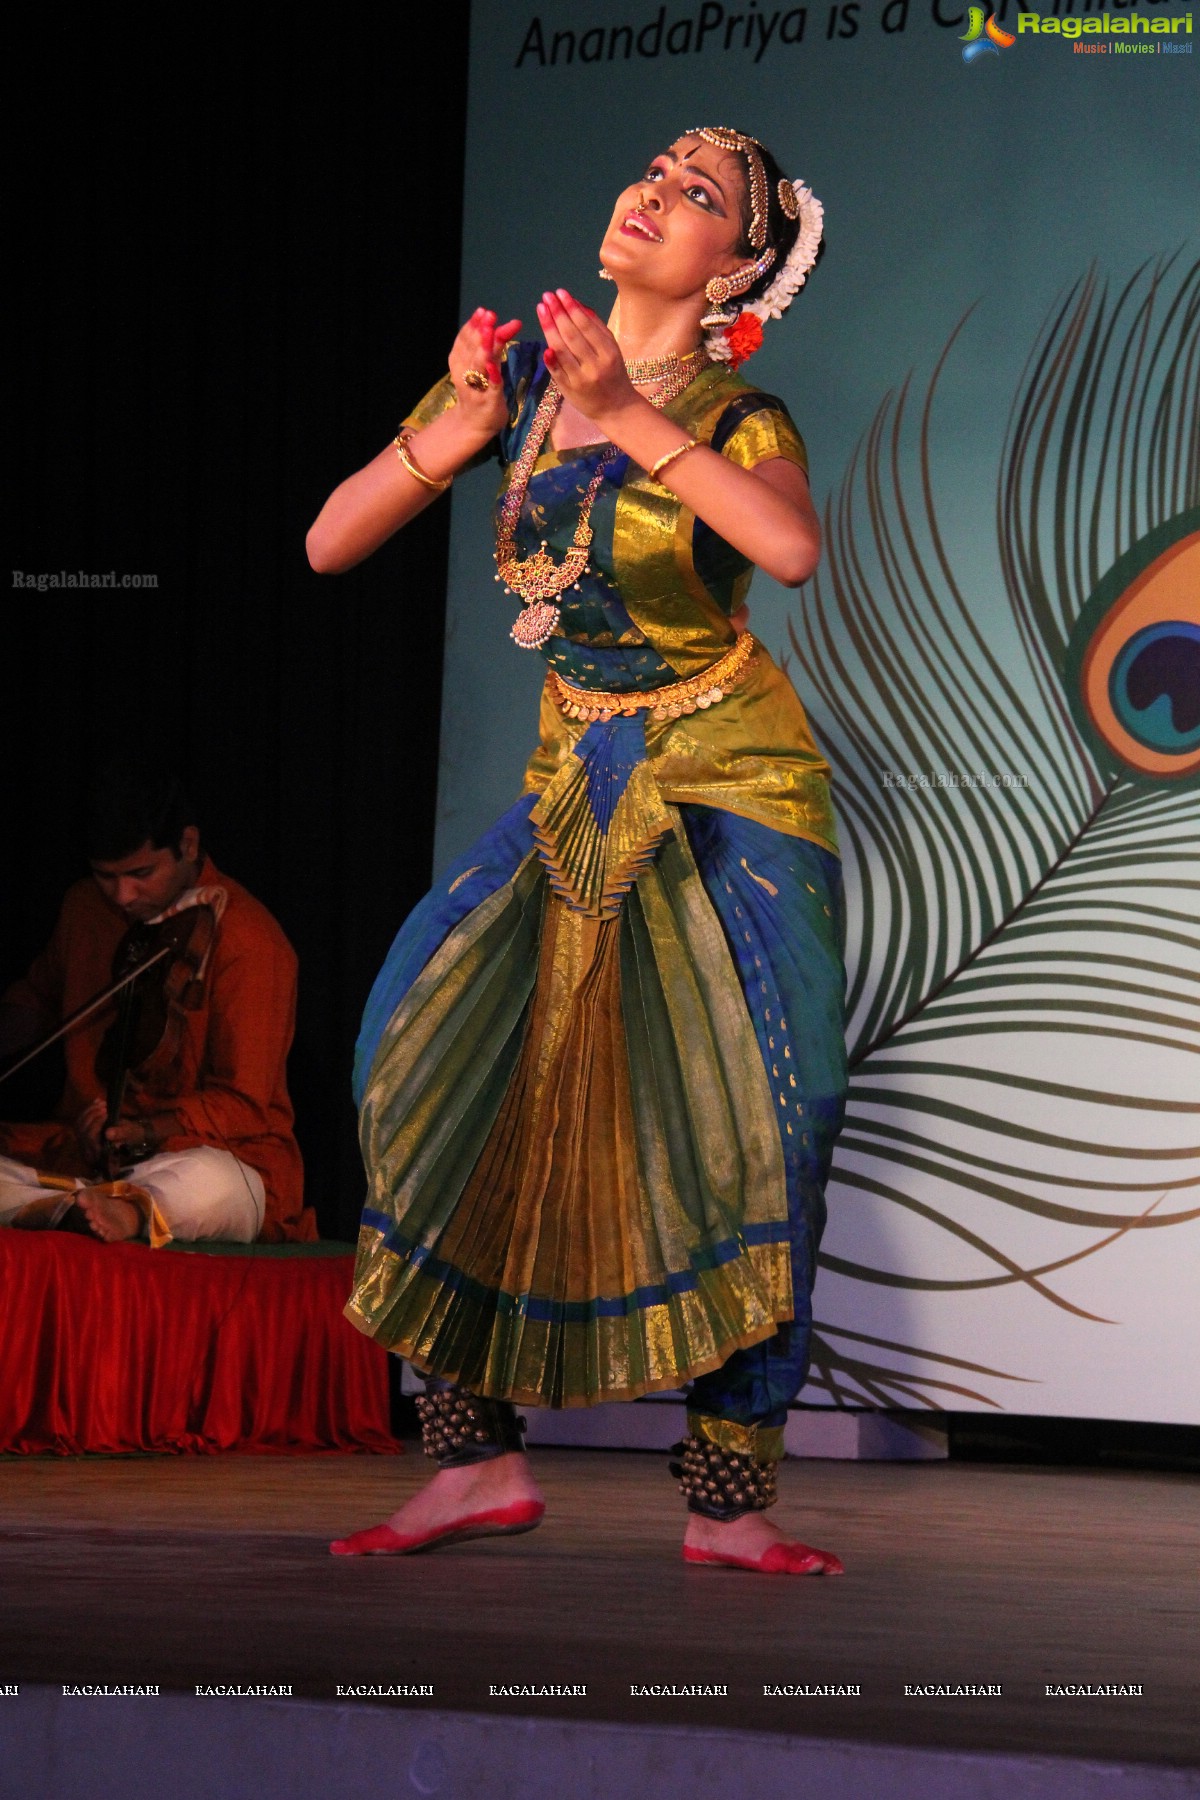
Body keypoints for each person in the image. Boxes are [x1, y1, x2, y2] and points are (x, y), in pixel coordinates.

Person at [308, 127, 846, 1575]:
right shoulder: (529, 383)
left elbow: (787, 554)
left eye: (697, 194)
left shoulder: (740, 414)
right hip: (577, 778)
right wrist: (460, 428)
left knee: (774, 1118)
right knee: (416, 1055)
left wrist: (633, 417)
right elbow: (328, 541)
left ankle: (730, 1500)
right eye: (654, 169)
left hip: (734, 782)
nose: (651, 192)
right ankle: (472, 1460)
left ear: (734, 264)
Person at [0, 760, 315, 1246]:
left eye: (142, 873)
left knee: (217, 1185)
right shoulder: (85, 908)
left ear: (188, 845)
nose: (124, 896)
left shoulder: (251, 941)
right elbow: (36, 999)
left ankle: (130, 1210)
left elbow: (246, 1105)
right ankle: (76, 1207)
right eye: (106, 876)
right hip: (87, 1161)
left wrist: (143, 1131)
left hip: (197, 1159)